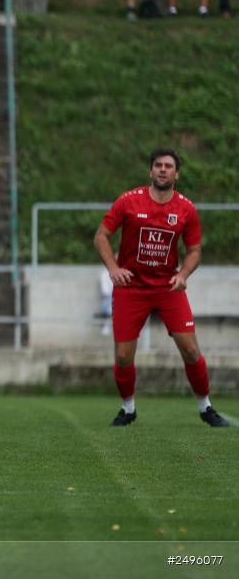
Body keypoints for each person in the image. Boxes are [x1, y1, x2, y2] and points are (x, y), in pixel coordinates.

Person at [93, 148, 228, 428]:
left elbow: (194, 251)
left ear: (176, 174)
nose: (163, 170)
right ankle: (127, 409)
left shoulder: (186, 209)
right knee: (122, 355)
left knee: (190, 349)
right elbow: (101, 237)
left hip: (168, 288)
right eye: (158, 165)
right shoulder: (129, 201)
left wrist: (184, 274)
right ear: (150, 171)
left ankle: (206, 407)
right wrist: (114, 269)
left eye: (168, 166)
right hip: (131, 288)